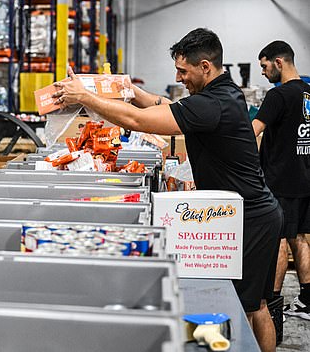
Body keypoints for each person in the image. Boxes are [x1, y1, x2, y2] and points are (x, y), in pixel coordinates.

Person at [53, 28, 282, 352]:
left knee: (250, 306)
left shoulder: (212, 104)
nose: (178, 77)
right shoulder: (222, 92)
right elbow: (166, 104)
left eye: (183, 71)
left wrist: (86, 97)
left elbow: (138, 120)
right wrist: (130, 91)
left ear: (205, 66)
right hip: (245, 211)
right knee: (248, 302)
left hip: (253, 217)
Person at [252, 40, 310, 320]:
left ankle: (273, 303)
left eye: (264, 66)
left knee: (278, 240)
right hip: (305, 176)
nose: (262, 72)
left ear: (278, 62)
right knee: (299, 237)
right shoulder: (308, 93)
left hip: (280, 179)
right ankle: (307, 300)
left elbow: (253, 130)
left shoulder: (279, 95)